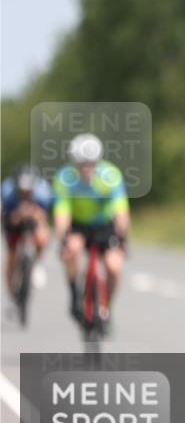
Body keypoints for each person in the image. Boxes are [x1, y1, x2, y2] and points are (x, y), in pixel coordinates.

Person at [52, 133, 130, 325]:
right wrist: (63, 239)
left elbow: (121, 211)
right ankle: (74, 295)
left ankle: (106, 307)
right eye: (82, 164)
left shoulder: (110, 176)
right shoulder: (65, 178)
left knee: (114, 266)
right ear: (74, 162)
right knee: (73, 249)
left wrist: (122, 239)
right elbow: (62, 213)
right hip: (79, 225)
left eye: (92, 163)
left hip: (104, 225)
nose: (87, 168)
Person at [1, 165, 54, 299]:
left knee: (42, 237)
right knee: (12, 256)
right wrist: (17, 216)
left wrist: (34, 215)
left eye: (28, 192)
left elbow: (45, 218)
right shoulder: (6, 191)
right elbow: (5, 219)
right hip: (13, 220)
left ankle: (37, 263)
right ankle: (10, 293)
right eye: (21, 191)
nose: (25, 195)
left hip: (34, 220)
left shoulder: (43, 192)